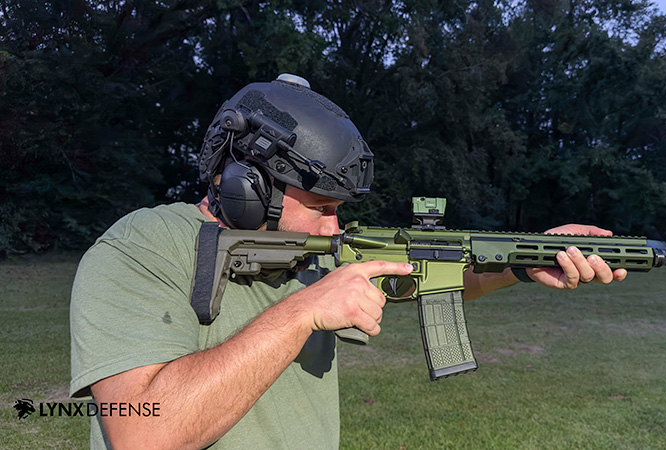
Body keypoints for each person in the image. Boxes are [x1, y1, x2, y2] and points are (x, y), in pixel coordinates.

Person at [70, 74, 626, 449]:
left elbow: (430, 275)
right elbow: (143, 432)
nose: (335, 228)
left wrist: (526, 261)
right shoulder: (141, 247)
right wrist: (301, 312)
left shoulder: (318, 251)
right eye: (322, 208)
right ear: (247, 187)